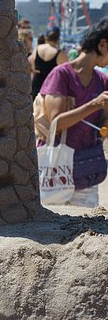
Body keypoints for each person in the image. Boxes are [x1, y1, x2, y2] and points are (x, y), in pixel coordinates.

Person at [40, 18, 108, 208]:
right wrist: (94, 104)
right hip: (57, 169)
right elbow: (57, 123)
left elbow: (103, 125)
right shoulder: (61, 75)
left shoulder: (102, 80)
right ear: (103, 44)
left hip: (87, 171)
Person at [30, 25, 69, 98]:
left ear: (46, 37)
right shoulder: (60, 53)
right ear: (58, 38)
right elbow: (67, 71)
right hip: (51, 85)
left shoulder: (37, 49)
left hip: (36, 83)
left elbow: (33, 67)